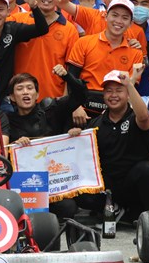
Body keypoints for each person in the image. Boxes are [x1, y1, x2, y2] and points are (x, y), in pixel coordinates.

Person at [74, 70, 149, 219]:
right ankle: (116, 210)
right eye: (109, 91)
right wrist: (74, 135)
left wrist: (130, 85)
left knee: (147, 170)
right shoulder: (94, 124)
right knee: (79, 187)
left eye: (119, 90)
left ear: (128, 94)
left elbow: (143, 117)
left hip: (134, 183)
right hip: (108, 187)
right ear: (103, 95)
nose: (113, 95)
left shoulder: (135, 118)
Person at [5, 65, 87, 220]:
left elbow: (81, 95)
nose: (25, 92)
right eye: (20, 89)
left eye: (30, 88)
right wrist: (15, 144)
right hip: (24, 186)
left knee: (69, 207)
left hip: (54, 183)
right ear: (12, 97)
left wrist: (67, 76)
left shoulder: (51, 109)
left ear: (37, 94)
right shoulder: (7, 120)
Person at [67, 0, 144, 123]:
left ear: (131, 23)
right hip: (82, 113)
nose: (119, 21)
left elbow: (131, 89)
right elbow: (71, 78)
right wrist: (75, 106)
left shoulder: (136, 53)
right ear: (106, 16)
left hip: (116, 114)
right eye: (115, 15)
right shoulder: (84, 42)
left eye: (125, 18)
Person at [12, 0, 80, 101]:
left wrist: (65, 101)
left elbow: (71, 71)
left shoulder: (70, 30)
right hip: (20, 101)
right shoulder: (17, 20)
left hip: (53, 101)